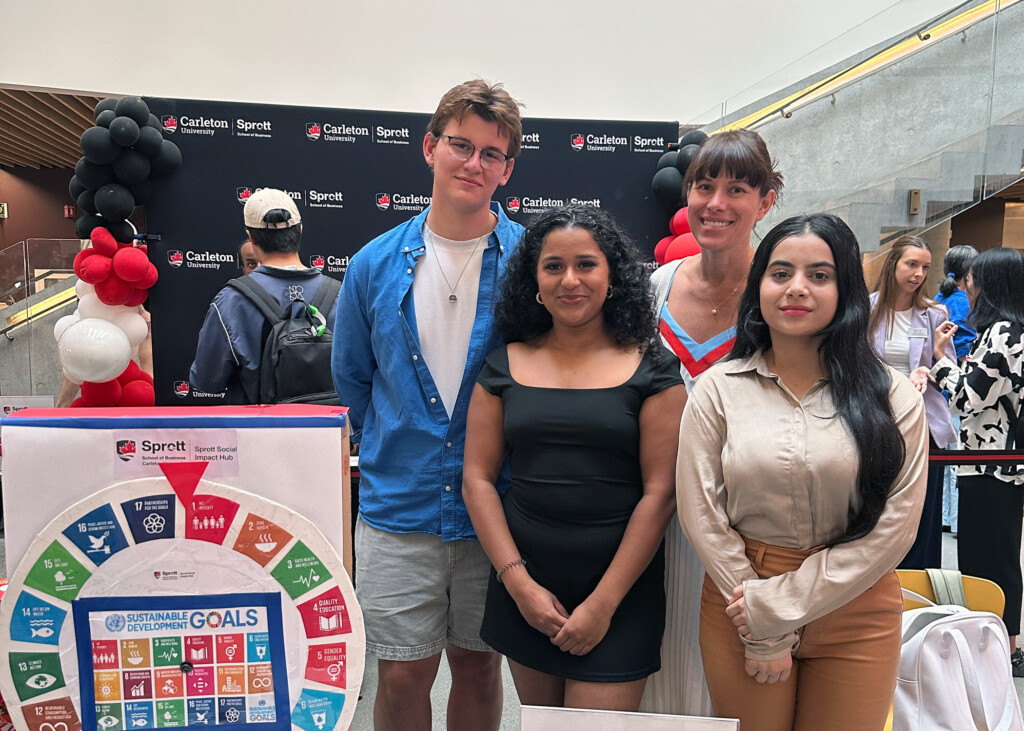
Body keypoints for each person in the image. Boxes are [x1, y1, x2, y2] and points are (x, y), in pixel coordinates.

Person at [678, 213, 928, 730]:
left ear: (846, 290)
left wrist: (779, 606)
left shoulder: (893, 396)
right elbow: (701, 511)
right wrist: (761, 623)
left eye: (819, 275)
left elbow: (896, 527)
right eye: (780, 272)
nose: (797, 288)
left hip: (858, 605)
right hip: (739, 598)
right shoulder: (718, 389)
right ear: (759, 286)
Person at [331, 80, 523, 731]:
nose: (474, 163)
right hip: (397, 508)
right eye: (461, 145)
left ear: (507, 168)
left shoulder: (532, 262)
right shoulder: (372, 265)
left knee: (478, 665)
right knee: (403, 672)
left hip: (495, 509)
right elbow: (355, 380)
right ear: (430, 147)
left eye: (490, 154)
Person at [462, 204, 684, 711]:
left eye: (586, 264)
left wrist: (604, 604)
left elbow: (661, 492)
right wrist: (519, 586)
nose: (570, 280)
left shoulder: (652, 368)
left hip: (620, 592)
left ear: (612, 275)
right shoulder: (504, 364)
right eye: (553, 266)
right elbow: (476, 478)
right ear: (534, 281)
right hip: (528, 584)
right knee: (542, 725)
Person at [642, 128, 783, 717]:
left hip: (745, 528)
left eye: (737, 188)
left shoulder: (781, 296)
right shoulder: (654, 289)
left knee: (723, 685)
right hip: (652, 520)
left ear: (766, 200)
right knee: (657, 675)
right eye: (704, 185)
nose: (716, 203)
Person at [930, 246, 1024, 676]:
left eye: (972, 279)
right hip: (1002, 461)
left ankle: (1000, 645)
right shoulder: (1013, 328)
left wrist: (941, 362)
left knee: (986, 556)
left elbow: (969, 398)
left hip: (990, 461)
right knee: (999, 553)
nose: (967, 285)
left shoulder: (1004, 331)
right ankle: (1004, 642)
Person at [189, 188, 339, 404]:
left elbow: (206, 380)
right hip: (330, 433)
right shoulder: (340, 295)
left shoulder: (231, 300)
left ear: (251, 238)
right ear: (300, 230)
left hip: (259, 433)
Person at [868, 235, 955, 569]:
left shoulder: (935, 313)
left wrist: (932, 361)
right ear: (892, 264)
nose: (918, 274)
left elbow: (950, 370)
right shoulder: (867, 308)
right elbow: (856, 366)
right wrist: (899, 380)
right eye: (911, 264)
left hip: (923, 421)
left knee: (923, 511)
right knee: (881, 509)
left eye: (925, 268)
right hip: (878, 420)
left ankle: (917, 587)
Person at [933, 244, 978, 535]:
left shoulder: (936, 300)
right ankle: (959, 520)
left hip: (937, 388)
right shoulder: (966, 303)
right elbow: (963, 345)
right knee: (959, 458)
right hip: (958, 384)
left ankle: (945, 518)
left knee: (945, 460)